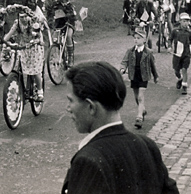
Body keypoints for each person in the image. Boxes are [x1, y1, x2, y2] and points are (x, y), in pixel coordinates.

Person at [62, 62, 179, 194]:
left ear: (91, 107)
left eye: (71, 101)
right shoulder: (147, 146)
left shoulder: (88, 160)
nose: (68, 108)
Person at [120, 28, 158, 129]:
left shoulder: (148, 52)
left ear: (144, 40)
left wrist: (156, 76)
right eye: (135, 38)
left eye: (138, 38)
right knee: (137, 97)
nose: (136, 40)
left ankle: (139, 117)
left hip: (143, 76)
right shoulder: (130, 51)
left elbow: (152, 65)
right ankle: (143, 110)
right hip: (134, 75)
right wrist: (123, 68)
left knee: (141, 97)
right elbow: (124, 61)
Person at [4, 12, 45, 100]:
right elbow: (10, 33)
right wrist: (3, 41)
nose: (24, 19)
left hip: (34, 48)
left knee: (35, 71)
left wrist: (40, 41)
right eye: (21, 17)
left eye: (26, 16)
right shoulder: (17, 23)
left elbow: (39, 34)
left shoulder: (33, 22)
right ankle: (20, 86)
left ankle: (40, 91)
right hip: (23, 48)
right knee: (19, 67)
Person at [169, 13, 191, 95]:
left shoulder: (190, 32)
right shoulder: (175, 31)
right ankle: (180, 78)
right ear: (180, 21)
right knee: (176, 70)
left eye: (187, 21)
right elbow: (170, 39)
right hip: (177, 54)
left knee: (184, 69)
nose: (186, 23)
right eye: (184, 21)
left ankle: (184, 86)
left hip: (186, 54)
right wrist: (169, 46)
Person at [50, 0, 76, 67]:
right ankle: (55, 55)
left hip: (68, 23)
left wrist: (68, 14)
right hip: (59, 23)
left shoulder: (69, 4)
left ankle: (70, 56)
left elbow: (73, 15)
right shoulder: (55, 4)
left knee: (68, 36)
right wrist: (51, 18)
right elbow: (51, 13)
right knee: (54, 37)